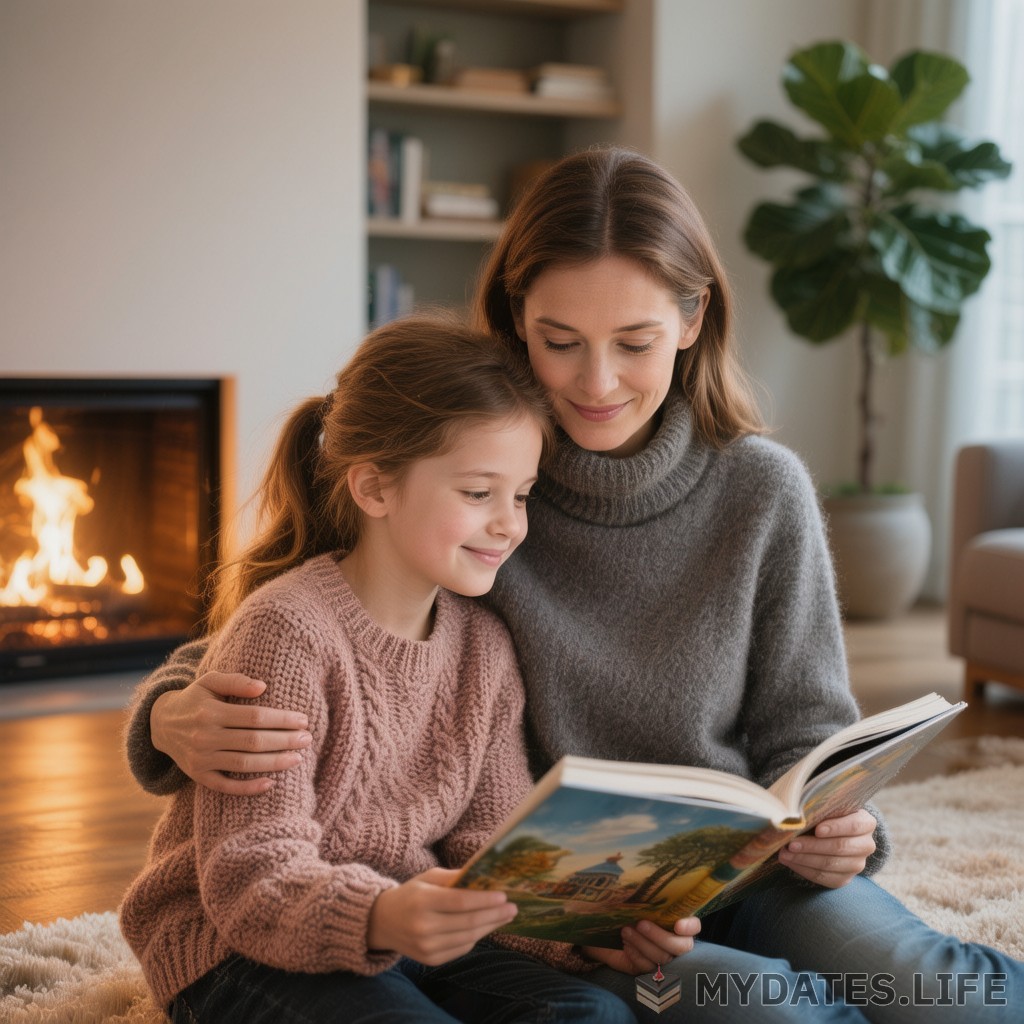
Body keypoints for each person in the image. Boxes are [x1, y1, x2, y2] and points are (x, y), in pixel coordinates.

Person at [124, 149, 1021, 1021]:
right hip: (577, 907)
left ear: (693, 318)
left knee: (928, 981)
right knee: (771, 1012)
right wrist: (169, 712)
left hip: (747, 868)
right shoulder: (478, 472)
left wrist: (843, 831)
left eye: (634, 343)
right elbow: (313, 624)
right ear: (518, 320)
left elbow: (808, 730)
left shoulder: (761, 489)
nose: (596, 383)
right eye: (560, 342)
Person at [118, 315, 638, 1024]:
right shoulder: (287, 632)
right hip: (232, 944)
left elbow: (489, 849)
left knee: (595, 1013)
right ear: (375, 489)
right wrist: (382, 916)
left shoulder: (485, 650)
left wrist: (584, 933)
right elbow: (249, 879)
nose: (509, 524)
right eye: (478, 492)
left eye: (520, 495)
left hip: (405, 926)